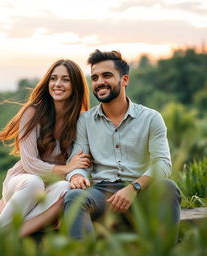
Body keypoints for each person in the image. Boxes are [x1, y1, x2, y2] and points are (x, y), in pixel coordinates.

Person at [64, 49, 181, 239]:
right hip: (101, 194)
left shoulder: (151, 118)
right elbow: (77, 161)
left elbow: (163, 164)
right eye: (94, 77)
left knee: (168, 187)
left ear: (125, 79)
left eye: (107, 75)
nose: (99, 82)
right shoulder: (85, 121)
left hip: (142, 191)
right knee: (74, 197)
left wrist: (134, 187)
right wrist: (76, 176)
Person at [0, 59, 91, 246]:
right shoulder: (33, 112)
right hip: (22, 182)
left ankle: (7, 241)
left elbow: (80, 163)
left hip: (50, 189)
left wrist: (74, 174)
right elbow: (30, 164)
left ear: (75, 86)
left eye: (65, 79)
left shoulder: (80, 121)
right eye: (53, 78)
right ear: (47, 83)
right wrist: (67, 168)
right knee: (34, 181)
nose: (58, 84)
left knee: (66, 189)